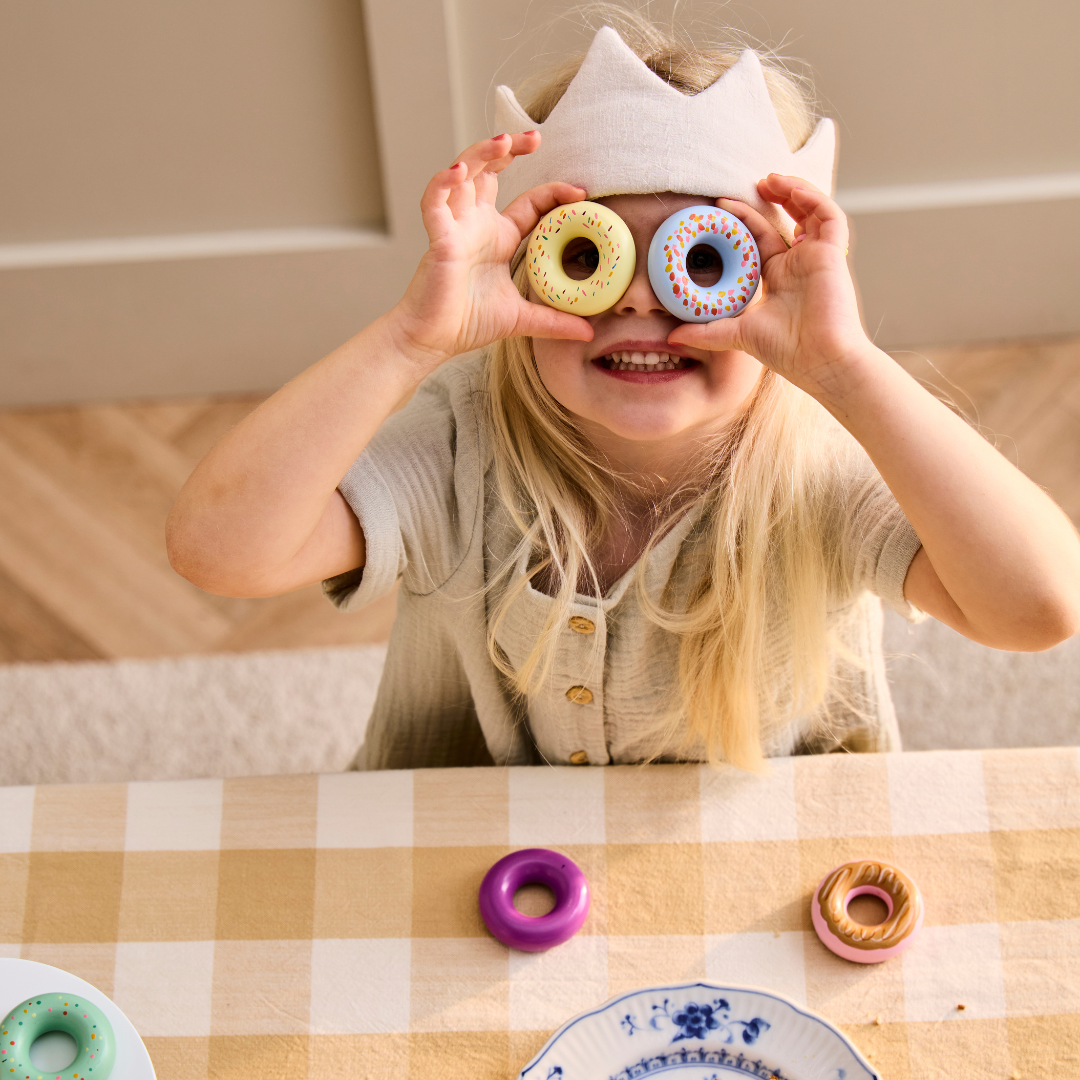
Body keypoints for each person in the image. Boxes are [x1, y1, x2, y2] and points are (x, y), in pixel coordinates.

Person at [167, 14, 1080, 773]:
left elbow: (1040, 608)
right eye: (588, 256)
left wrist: (845, 367)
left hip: (772, 849)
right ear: (523, 276)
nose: (641, 298)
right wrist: (412, 338)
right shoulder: (460, 441)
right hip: (466, 842)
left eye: (702, 261)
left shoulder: (822, 462)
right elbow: (220, 552)